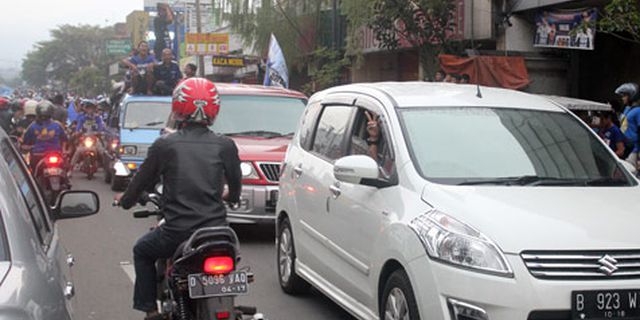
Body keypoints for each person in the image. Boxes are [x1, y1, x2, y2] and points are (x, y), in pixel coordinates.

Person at [114, 78, 242, 319]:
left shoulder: (165, 145)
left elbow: (139, 183)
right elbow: (235, 190)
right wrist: (229, 196)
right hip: (219, 235)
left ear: (178, 107)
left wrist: (126, 200)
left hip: (177, 234)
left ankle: (150, 310)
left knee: (141, 250)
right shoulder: (225, 145)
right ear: (214, 109)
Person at [21, 101, 68, 171]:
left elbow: (25, 144)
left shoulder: (32, 127)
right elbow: (65, 139)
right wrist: (64, 150)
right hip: (56, 154)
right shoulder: (57, 125)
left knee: (31, 173)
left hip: (38, 155)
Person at [70, 99, 107, 170]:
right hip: (84, 138)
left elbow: (101, 126)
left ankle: (105, 167)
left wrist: (100, 132)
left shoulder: (97, 118)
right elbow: (78, 127)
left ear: (94, 109)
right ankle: (70, 169)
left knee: (102, 152)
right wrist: (77, 132)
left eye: (92, 108)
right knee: (77, 152)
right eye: (88, 108)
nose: (90, 110)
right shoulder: (82, 118)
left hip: (95, 138)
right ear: (86, 109)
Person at [617, 82, 640, 166]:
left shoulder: (638, 111)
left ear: (632, 96)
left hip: (634, 150)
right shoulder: (627, 109)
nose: (622, 98)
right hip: (624, 147)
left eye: (624, 96)